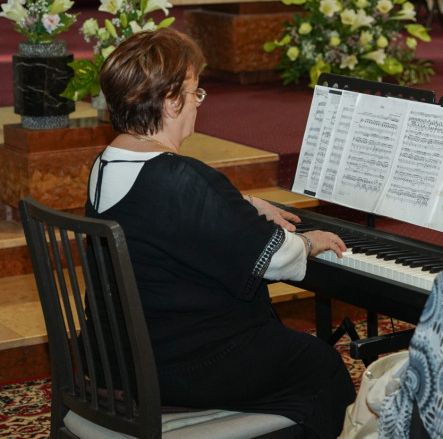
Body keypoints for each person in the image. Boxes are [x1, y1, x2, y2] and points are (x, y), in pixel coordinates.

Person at [86, 27, 355, 438]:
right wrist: (308, 242)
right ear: (170, 101)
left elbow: (155, 212)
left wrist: (241, 204)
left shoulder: (106, 162)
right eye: (195, 92)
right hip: (182, 364)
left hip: (121, 357)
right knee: (322, 367)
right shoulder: (179, 177)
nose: (198, 103)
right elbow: (275, 257)